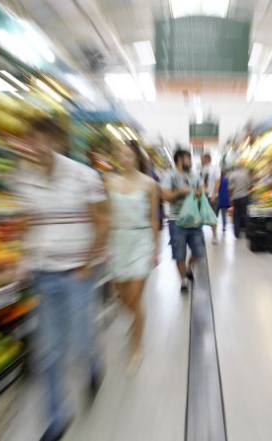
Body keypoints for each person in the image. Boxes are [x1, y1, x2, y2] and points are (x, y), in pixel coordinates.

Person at [13, 117, 109, 441]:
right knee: (49, 350)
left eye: (44, 140)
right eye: (32, 140)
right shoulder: (24, 177)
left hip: (76, 275)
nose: (37, 147)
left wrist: (88, 263)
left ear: (57, 142)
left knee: (79, 344)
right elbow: (29, 222)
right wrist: (23, 259)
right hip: (43, 274)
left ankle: (93, 361)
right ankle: (56, 419)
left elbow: (102, 222)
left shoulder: (85, 176)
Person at [106, 142, 159, 374]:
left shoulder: (149, 184)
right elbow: (106, 215)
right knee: (120, 297)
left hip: (140, 241)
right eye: (120, 155)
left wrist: (155, 249)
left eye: (128, 155)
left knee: (135, 298)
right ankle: (136, 323)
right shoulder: (110, 182)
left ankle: (137, 348)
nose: (124, 158)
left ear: (137, 157)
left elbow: (154, 218)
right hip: (118, 242)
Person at [162, 149, 204, 292]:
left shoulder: (194, 175)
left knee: (199, 251)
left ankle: (187, 268)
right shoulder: (169, 176)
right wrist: (180, 191)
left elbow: (201, 190)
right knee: (179, 253)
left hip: (194, 219)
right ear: (180, 159)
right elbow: (166, 196)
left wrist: (200, 193)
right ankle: (183, 280)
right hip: (176, 220)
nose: (191, 162)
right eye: (188, 158)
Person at [200, 153, 221, 244]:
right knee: (200, 216)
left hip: (212, 196)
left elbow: (217, 182)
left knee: (213, 216)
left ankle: (214, 235)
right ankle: (199, 235)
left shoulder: (215, 168)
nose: (201, 160)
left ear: (208, 158)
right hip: (202, 196)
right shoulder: (201, 169)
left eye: (202, 159)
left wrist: (214, 194)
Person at [229, 163, 251, 238]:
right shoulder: (245, 175)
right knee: (245, 215)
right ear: (241, 168)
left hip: (235, 198)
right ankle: (247, 233)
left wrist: (231, 198)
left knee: (236, 216)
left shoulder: (232, 175)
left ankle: (236, 234)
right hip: (244, 197)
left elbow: (230, 189)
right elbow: (249, 187)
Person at [216, 168, 231, 233]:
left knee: (215, 213)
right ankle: (224, 227)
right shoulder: (226, 180)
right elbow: (229, 188)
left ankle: (214, 226)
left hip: (218, 197)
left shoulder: (217, 180)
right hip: (225, 197)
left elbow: (216, 189)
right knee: (223, 214)